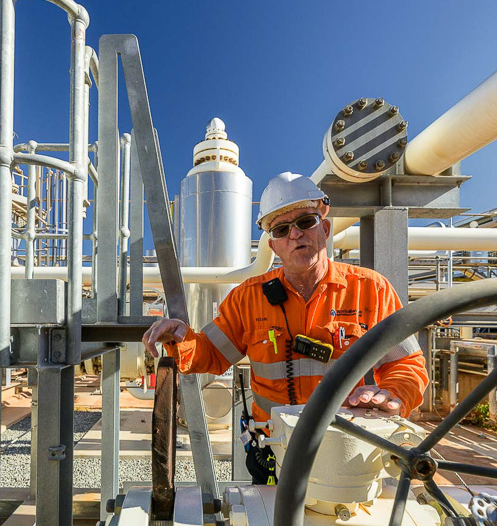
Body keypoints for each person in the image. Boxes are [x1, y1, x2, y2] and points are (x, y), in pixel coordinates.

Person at [143, 171, 429, 484]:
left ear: (325, 228)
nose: (295, 234)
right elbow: (210, 353)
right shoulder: (248, 298)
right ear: (273, 246)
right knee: (270, 515)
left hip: (346, 448)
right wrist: (181, 337)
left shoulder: (371, 290)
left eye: (305, 221)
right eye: (281, 229)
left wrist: (393, 394)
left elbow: (407, 363)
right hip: (272, 447)